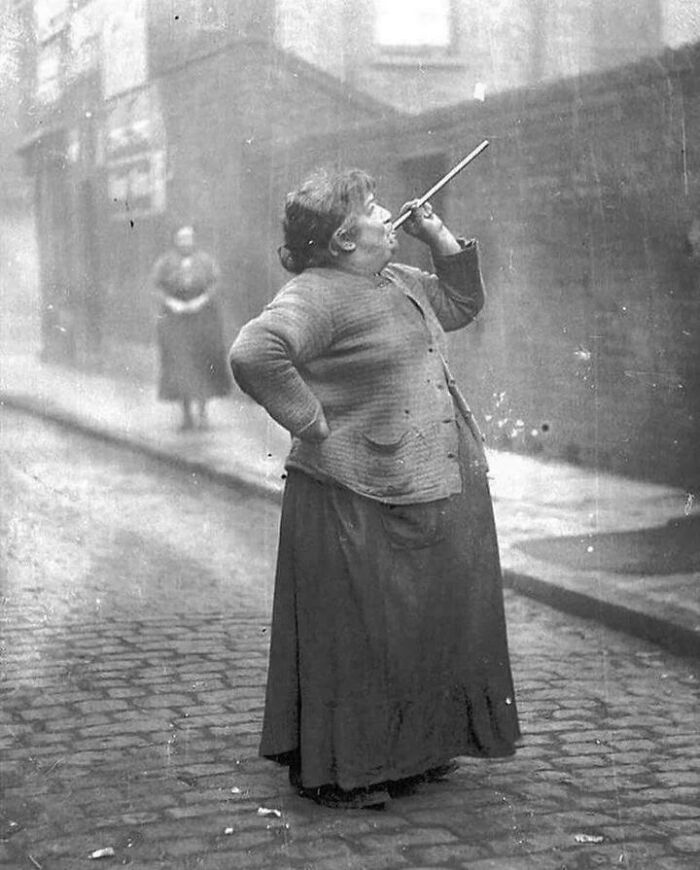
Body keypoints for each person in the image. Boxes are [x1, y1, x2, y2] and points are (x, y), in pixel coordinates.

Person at [229, 168, 521, 809]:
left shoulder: (395, 277)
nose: (390, 213)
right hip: (353, 492)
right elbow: (255, 353)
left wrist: (436, 234)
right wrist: (312, 421)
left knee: (421, 623)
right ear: (340, 238)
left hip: (426, 477)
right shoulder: (317, 295)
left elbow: (463, 306)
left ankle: (413, 753)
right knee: (362, 634)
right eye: (373, 208)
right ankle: (347, 771)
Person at [152, 225, 231, 430]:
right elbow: (156, 286)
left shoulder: (205, 261)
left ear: (194, 240)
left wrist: (202, 300)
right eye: (181, 238)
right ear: (175, 240)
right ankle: (186, 416)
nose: (185, 242)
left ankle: (203, 414)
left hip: (202, 318)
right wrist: (171, 303)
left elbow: (216, 283)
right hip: (176, 320)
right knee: (180, 365)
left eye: (188, 238)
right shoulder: (165, 262)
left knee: (203, 362)